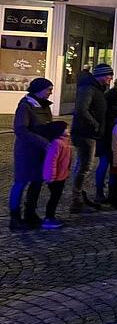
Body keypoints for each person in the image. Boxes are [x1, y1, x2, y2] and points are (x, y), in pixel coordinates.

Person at [9, 78, 55, 231]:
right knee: (21, 183)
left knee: (37, 182)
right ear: (39, 90)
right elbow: (21, 129)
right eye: (49, 89)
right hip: (27, 151)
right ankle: (15, 218)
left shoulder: (44, 106)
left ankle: (31, 213)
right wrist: (42, 141)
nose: (51, 93)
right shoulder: (26, 106)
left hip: (42, 151)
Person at [71, 64, 113, 213]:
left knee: (82, 166)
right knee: (84, 167)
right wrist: (95, 124)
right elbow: (81, 109)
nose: (110, 78)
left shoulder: (97, 89)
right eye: (109, 75)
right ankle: (77, 200)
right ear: (101, 75)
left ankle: (80, 196)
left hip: (89, 133)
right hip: (85, 133)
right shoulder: (88, 88)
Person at [95, 76, 117, 202]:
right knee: (104, 163)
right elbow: (104, 114)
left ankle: (113, 192)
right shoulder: (109, 97)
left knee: (116, 164)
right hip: (106, 134)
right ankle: (99, 192)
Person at [39, 121, 71, 229]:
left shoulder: (65, 142)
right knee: (54, 197)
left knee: (56, 197)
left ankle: (51, 217)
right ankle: (49, 218)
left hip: (61, 176)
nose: (68, 130)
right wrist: (50, 176)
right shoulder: (57, 143)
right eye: (66, 128)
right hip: (55, 177)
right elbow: (51, 161)